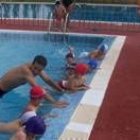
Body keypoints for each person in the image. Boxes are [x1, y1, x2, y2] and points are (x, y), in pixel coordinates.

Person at [0, 55, 68, 107]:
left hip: (4, 90)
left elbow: (48, 80)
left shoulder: (37, 67)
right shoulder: (25, 71)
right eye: (35, 68)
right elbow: (38, 89)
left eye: (39, 70)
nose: (36, 71)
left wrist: (61, 90)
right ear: (32, 63)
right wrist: (54, 102)